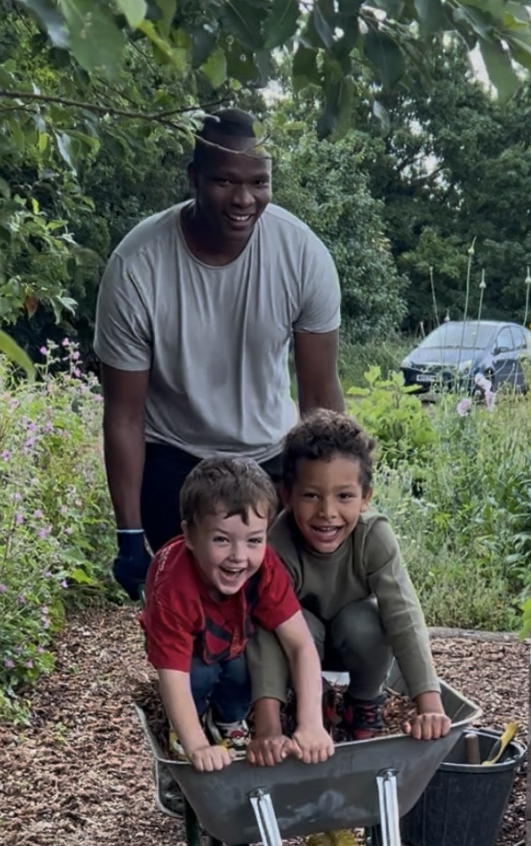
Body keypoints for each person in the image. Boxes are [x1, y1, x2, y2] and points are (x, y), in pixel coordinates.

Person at [94, 107, 346, 599]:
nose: (244, 198)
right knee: (194, 635)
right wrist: (128, 533)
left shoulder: (302, 254)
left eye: (259, 182)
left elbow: (318, 393)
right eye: (226, 181)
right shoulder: (136, 267)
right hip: (174, 459)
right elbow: (123, 414)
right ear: (194, 178)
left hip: (269, 456)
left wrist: (331, 491)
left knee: (274, 616)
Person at [246, 410, 452, 766]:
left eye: (344, 496)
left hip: (353, 644)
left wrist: (429, 704)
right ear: (287, 495)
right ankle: (306, 700)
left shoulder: (374, 537)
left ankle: (362, 702)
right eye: (311, 495)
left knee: (367, 619)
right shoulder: (277, 545)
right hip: (299, 647)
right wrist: (267, 730)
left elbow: (404, 615)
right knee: (287, 625)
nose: (327, 512)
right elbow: (264, 633)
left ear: (365, 496)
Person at [142, 456, 334, 773]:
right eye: (221, 539)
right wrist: (197, 746)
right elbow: (172, 676)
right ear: (189, 536)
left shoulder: (266, 568)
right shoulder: (173, 589)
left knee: (245, 667)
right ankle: (187, 727)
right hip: (188, 654)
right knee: (199, 673)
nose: (238, 556)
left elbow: (300, 644)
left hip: (232, 637)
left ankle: (230, 722)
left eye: (254, 540)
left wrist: (310, 723)